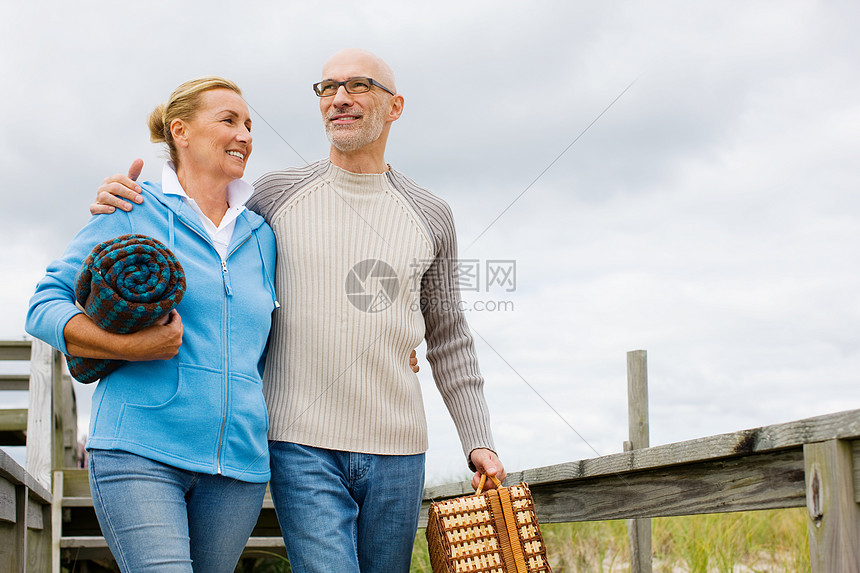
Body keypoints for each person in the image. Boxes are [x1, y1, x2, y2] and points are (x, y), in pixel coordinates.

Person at [92, 48, 506, 573]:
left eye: (358, 86)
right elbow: (205, 221)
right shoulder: (272, 196)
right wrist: (129, 198)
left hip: (399, 449)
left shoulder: (432, 214)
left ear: (395, 106)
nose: (339, 98)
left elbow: (449, 337)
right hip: (299, 445)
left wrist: (479, 442)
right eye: (327, 88)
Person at [27, 77, 279, 573]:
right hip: (139, 451)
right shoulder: (131, 208)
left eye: (249, 125)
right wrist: (130, 346)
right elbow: (44, 305)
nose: (245, 134)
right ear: (180, 131)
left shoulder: (262, 233)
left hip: (238, 467)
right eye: (228, 120)